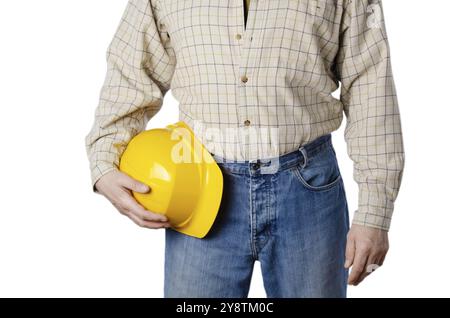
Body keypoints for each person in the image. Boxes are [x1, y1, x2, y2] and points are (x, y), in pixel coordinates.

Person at [85, 0, 404, 298]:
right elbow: (130, 70)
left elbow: (369, 85)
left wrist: (375, 213)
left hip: (308, 192)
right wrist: (104, 164)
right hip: (195, 187)